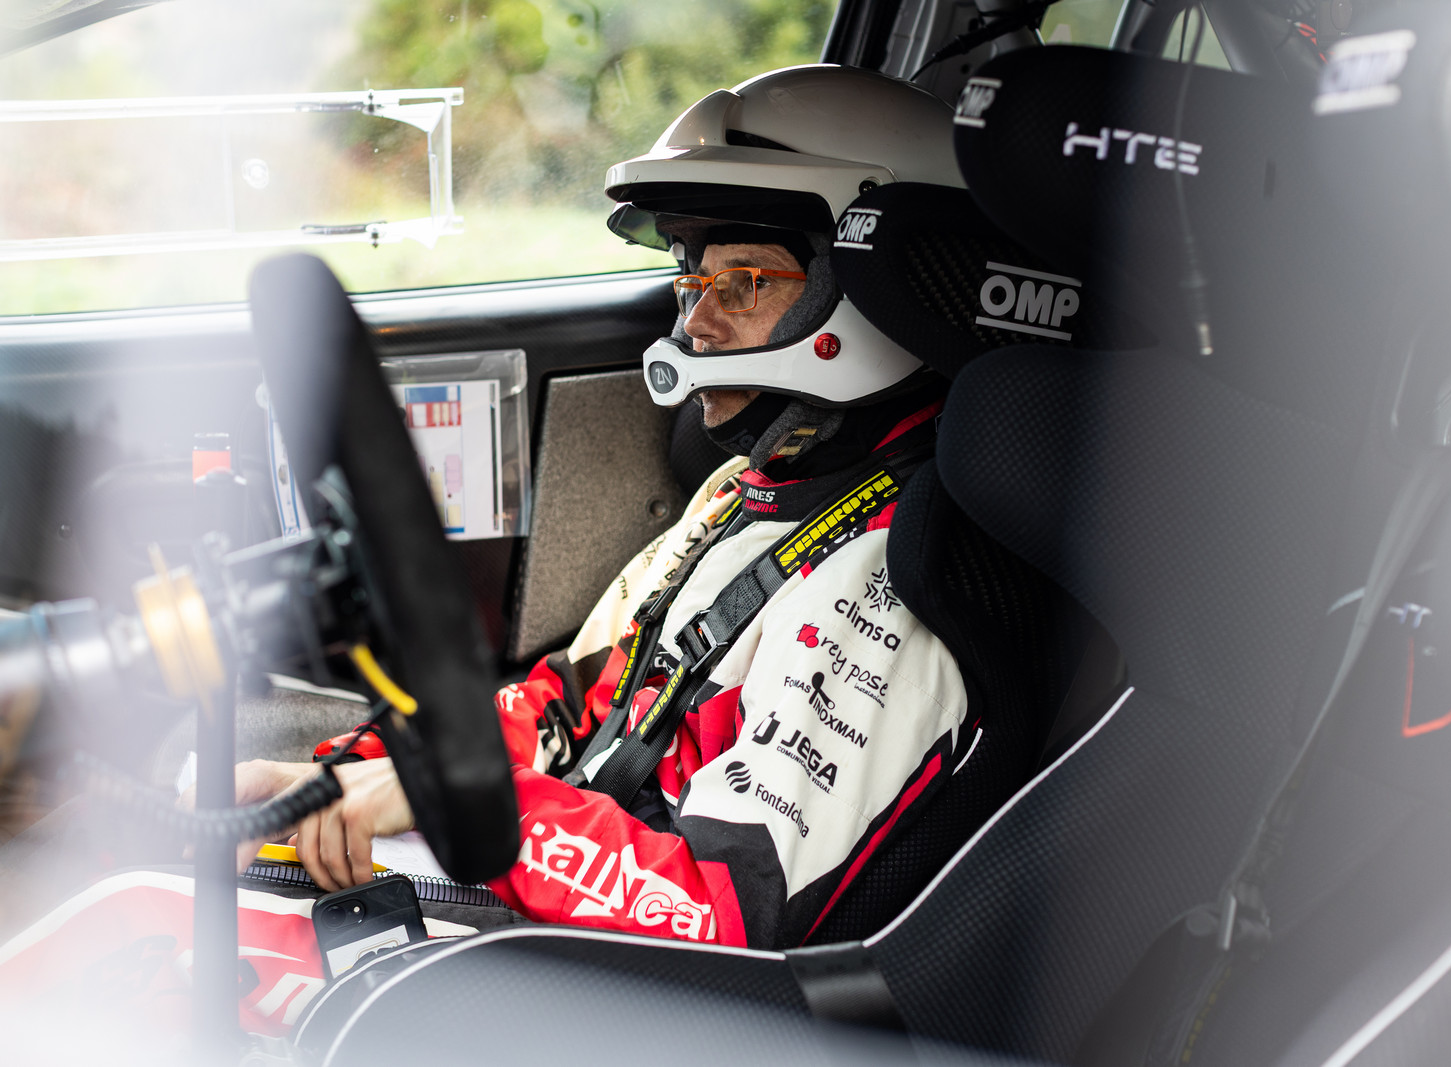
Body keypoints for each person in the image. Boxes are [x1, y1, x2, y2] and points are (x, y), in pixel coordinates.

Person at [0, 64, 973, 1034]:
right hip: (555, 905)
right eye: (691, 280)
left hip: (634, 999)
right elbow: (578, 699)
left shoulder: (897, 581)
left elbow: (717, 916)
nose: (695, 323)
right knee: (107, 881)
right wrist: (368, 770)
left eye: (743, 283)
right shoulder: (741, 495)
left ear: (870, 290)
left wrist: (482, 811)